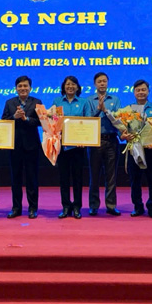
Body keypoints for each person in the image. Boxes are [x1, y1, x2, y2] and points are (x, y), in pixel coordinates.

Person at [2, 75, 42, 219]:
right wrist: (14, 117)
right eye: (20, 86)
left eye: (25, 86)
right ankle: (16, 208)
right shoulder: (9, 103)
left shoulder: (37, 102)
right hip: (15, 146)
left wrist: (26, 119)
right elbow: (4, 121)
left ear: (30, 88)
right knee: (16, 179)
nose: (23, 88)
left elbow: (41, 122)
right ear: (16, 88)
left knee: (32, 178)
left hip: (32, 146)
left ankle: (33, 208)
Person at [52, 76, 90, 219]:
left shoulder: (83, 102)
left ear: (77, 87)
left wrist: (84, 139)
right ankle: (66, 206)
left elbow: (87, 122)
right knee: (64, 178)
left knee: (78, 178)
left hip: (78, 147)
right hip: (62, 146)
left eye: (73, 84)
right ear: (64, 86)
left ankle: (77, 207)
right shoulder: (57, 101)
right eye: (68, 84)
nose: (70, 87)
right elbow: (53, 121)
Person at [125, 79, 152, 218]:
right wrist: (124, 134)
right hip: (134, 147)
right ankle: (137, 206)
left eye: (143, 89)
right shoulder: (128, 109)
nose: (141, 92)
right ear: (134, 92)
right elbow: (123, 127)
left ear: (148, 91)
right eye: (138, 90)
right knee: (135, 178)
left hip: (151, 148)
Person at [87, 72, 122, 216]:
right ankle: (94, 205)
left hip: (112, 140)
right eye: (99, 81)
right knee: (94, 175)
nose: (102, 83)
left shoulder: (115, 99)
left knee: (111, 175)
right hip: (95, 141)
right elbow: (88, 119)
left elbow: (119, 119)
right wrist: (98, 110)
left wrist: (106, 111)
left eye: (104, 81)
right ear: (95, 84)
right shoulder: (89, 100)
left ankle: (111, 205)